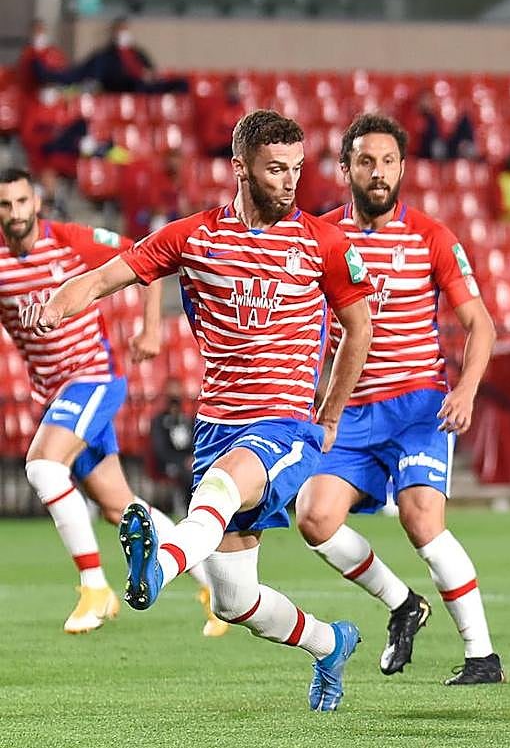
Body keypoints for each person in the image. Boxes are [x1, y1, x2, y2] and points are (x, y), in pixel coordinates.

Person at [24, 110, 375, 711]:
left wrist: (332, 412)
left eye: (296, 169)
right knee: (239, 602)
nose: (291, 182)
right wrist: (62, 297)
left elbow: (358, 327)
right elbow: (111, 275)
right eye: (275, 169)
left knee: (219, 487)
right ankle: (329, 642)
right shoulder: (193, 236)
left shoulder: (323, 241)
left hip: (285, 423)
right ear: (240, 166)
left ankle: (157, 568)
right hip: (218, 423)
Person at [295, 113, 504, 685]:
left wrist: (465, 388)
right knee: (314, 519)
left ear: (403, 168)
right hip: (350, 410)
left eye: (388, 161)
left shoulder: (433, 237)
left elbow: (479, 325)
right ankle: (402, 604)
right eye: (366, 161)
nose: (378, 172)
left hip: (417, 406)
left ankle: (483, 656)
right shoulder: (317, 236)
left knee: (420, 520)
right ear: (345, 170)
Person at [0, 168, 217, 635]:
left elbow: (142, 257)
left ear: (36, 203)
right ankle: (213, 588)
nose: (14, 213)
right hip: (53, 393)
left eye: (21, 202)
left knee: (42, 466)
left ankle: (95, 587)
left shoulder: (72, 239)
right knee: (120, 507)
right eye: (5, 205)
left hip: (93, 377)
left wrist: (152, 327)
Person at [65, 18, 188, 95]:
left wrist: (149, 76)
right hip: (125, 89)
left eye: (125, 30)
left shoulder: (138, 53)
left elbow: (151, 71)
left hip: (145, 88)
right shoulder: (104, 57)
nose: (124, 34)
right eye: (120, 31)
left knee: (181, 83)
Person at [149, 376, 194, 516]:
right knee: (186, 474)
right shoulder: (159, 421)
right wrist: (180, 461)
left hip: (188, 461)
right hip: (169, 462)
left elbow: (195, 443)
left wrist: (192, 458)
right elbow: (160, 449)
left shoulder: (188, 419)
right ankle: (185, 507)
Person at [407, 89, 476, 161]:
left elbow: (442, 135)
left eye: (429, 100)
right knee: (436, 142)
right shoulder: (413, 118)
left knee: (465, 120)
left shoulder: (433, 117)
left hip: (444, 148)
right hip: (425, 152)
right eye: (425, 100)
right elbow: (413, 142)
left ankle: (465, 145)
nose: (428, 103)